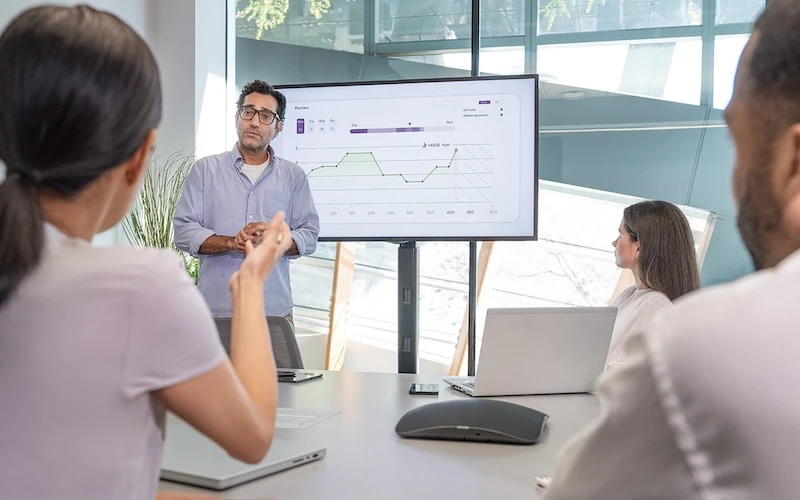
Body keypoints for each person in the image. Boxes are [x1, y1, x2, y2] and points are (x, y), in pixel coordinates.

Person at [0, 6, 289, 500]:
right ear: (139, 156)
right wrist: (248, 283)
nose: (255, 121)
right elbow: (253, 436)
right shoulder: (141, 283)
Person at [543, 1, 800, 498]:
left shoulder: (701, 345)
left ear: (792, 162)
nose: (736, 180)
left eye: (739, 140)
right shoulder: (641, 306)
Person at [173, 79, 319, 355]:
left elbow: (309, 233)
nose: (254, 122)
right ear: (237, 117)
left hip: (273, 313)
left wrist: (278, 240)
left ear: (278, 128)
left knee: (281, 397)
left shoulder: (293, 176)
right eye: (248, 111)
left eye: (266, 116)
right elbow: (183, 231)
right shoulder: (205, 170)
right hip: (216, 314)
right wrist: (231, 242)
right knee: (213, 399)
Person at [607, 200, 700, 365]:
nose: (614, 243)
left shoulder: (655, 304)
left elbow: (611, 368)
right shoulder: (629, 294)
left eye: (621, 236)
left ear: (639, 248)